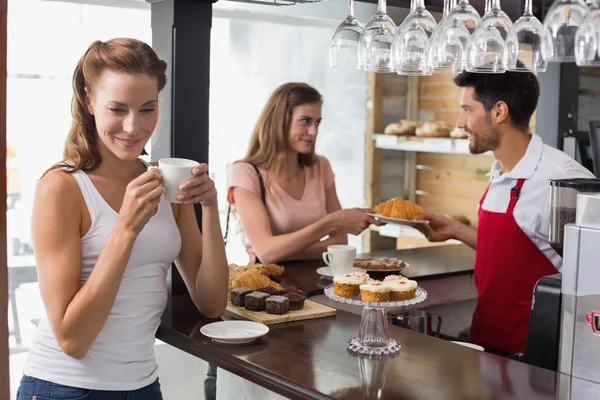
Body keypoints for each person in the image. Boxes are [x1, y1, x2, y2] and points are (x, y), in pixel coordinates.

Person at [16, 38, 229, 400]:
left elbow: (211, 303)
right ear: (89, 101)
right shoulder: (61, 188)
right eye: (117, 109)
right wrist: (127, 227)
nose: (133, 127)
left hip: (143, 386)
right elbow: (72, 339)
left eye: (147, 109)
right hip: (64, 387)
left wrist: (208, 208)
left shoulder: (161, 183)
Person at [417, 67, 595, 355]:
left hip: (537, 357)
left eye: (467, 109)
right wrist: (455, 229)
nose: (460, 122)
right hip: (487, 342)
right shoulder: (500, 171)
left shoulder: (562, 180)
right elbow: (512, 247)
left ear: (499, 112)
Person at [227, 82, 383, 265]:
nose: (313, 132)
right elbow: (267, 254)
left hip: (318, 281)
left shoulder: (321, 166)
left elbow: (340, 244)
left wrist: (280, 251)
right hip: (270, 289)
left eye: (317, 122)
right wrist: (331, 222)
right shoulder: (246, 172)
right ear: (279, 120)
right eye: (305, 121)